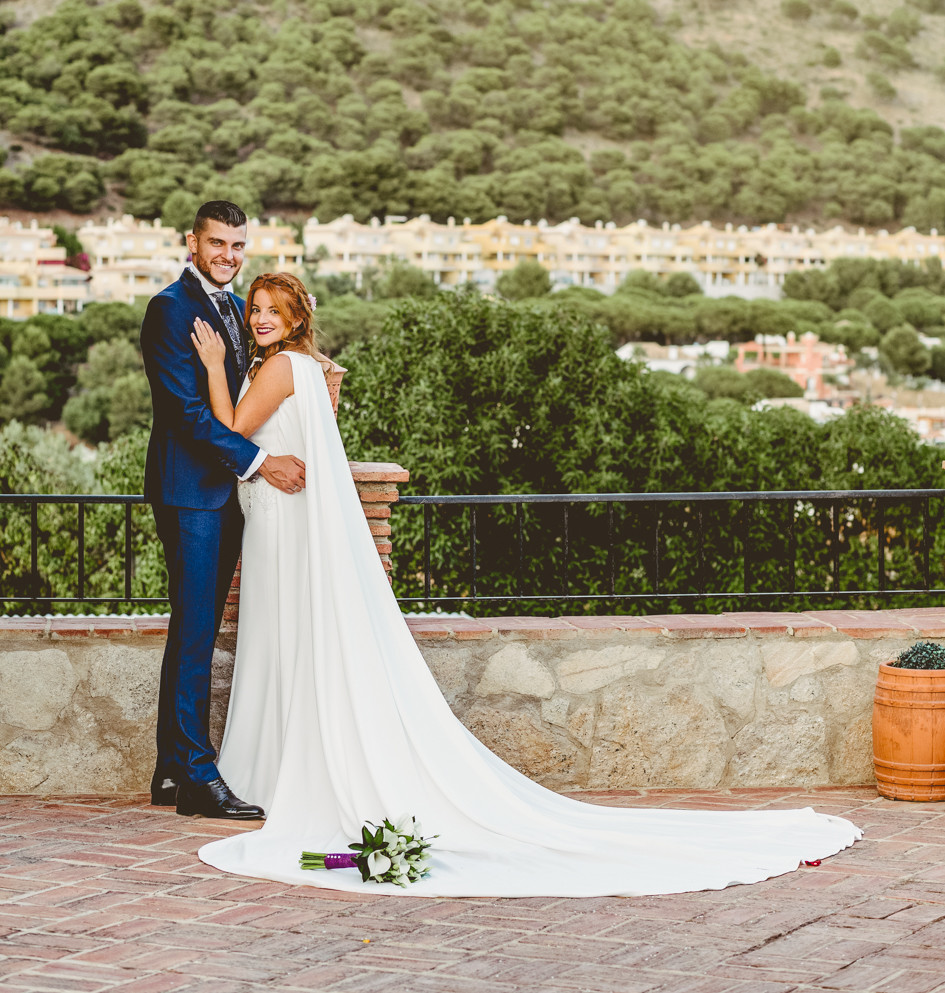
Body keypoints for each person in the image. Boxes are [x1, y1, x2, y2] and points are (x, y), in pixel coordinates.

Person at [188, 270, 861, 897]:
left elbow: (230, 429)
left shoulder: (277, 369)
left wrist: (216, 367)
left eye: (274, 311)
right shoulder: (310, 370)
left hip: (281, 531)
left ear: (297, 318)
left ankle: (275, 778)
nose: (261, 319)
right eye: (255, 310)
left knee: (285, 645)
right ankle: (284, 773)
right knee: (288, 646)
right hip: (284, 527)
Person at [140, 201, 305, 820]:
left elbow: (241, 399)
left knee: (196, 627)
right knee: (196, 631)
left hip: (225, 493)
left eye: (238, 246)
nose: (228, 256)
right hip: (190, 493)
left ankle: (168, 771)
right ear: (192, 243)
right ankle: (198, 780)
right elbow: (185, 416)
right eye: (217, 244)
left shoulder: (239, 311)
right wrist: (262, 462)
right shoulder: (170, 310)